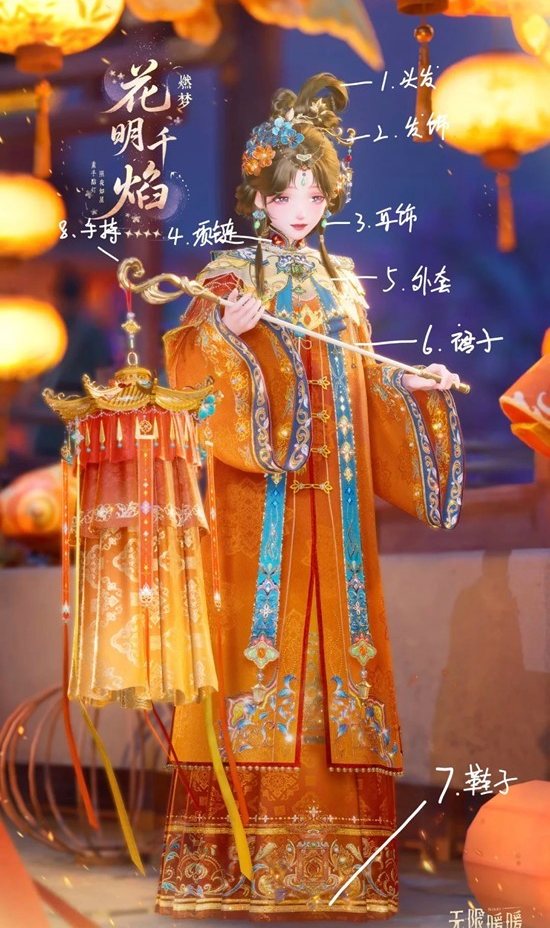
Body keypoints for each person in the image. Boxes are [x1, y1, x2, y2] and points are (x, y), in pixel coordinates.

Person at [156, 72, 463, 921]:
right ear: (259, 195)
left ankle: (338, 863)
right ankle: (241, 859)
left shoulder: (342, 284)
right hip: (265, 505)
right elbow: (192, 375)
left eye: (315, 194)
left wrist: (411, 384)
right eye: (286, 193)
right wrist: (229, 338)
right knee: (262, 647)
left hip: (338, 510)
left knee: (341, 647)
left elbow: (359, 379)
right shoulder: (226, 278)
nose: (300, 207)